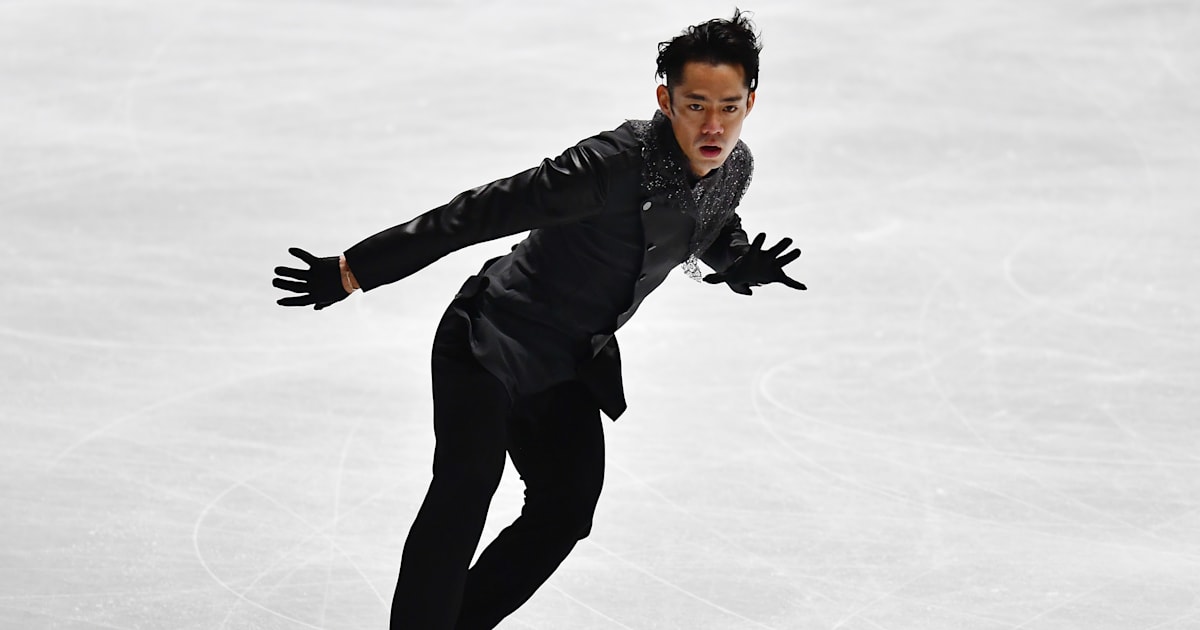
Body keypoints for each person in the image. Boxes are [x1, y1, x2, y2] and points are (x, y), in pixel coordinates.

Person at [273, 10, 804, 629]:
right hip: (489, 341)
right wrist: (354, 269)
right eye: (696, 106)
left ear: (750, 103)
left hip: (567, 363)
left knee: (566, 507)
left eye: (730, 108)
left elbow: (705, 218)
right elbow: (477, 214)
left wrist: (738, 261)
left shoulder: (732, 166)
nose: (714, 126)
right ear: (665, 101)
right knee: (466, 489)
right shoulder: (606, 167)